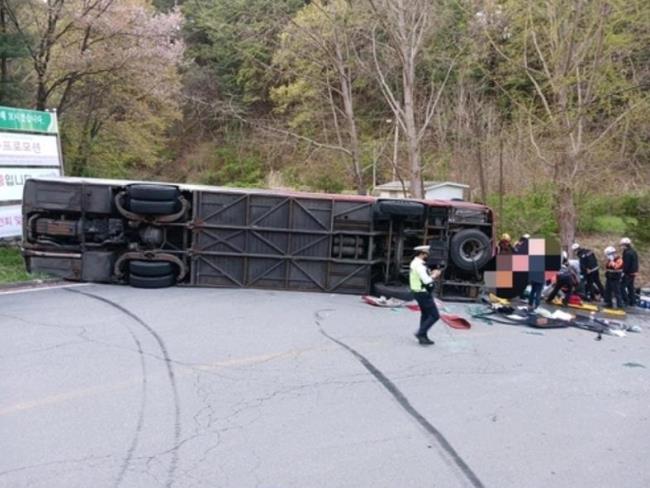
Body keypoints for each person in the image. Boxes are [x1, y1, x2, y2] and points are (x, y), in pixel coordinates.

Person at [409, 245, 441, 346]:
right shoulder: (419, 266)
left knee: (426, 314)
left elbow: (421, 276)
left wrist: (430, 273)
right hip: (422, 292)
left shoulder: (415, 263)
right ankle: (420, 333)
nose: (428, 255)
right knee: (435, 315)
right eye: (427, 253)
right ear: (422, 254)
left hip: (417, 292)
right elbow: (426, 280)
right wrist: (435, 275)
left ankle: (423, 337)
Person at [620, 237, 639, 306]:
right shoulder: (633, 251)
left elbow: (626, 264)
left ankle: (626, 300)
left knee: (621, 287)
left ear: (625, 245)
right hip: (633, 272)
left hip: (628, 273)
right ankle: (632, 301)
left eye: (622, 245)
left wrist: (623, 272)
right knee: (630, 287)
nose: (621, 246)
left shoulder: (627, 253)